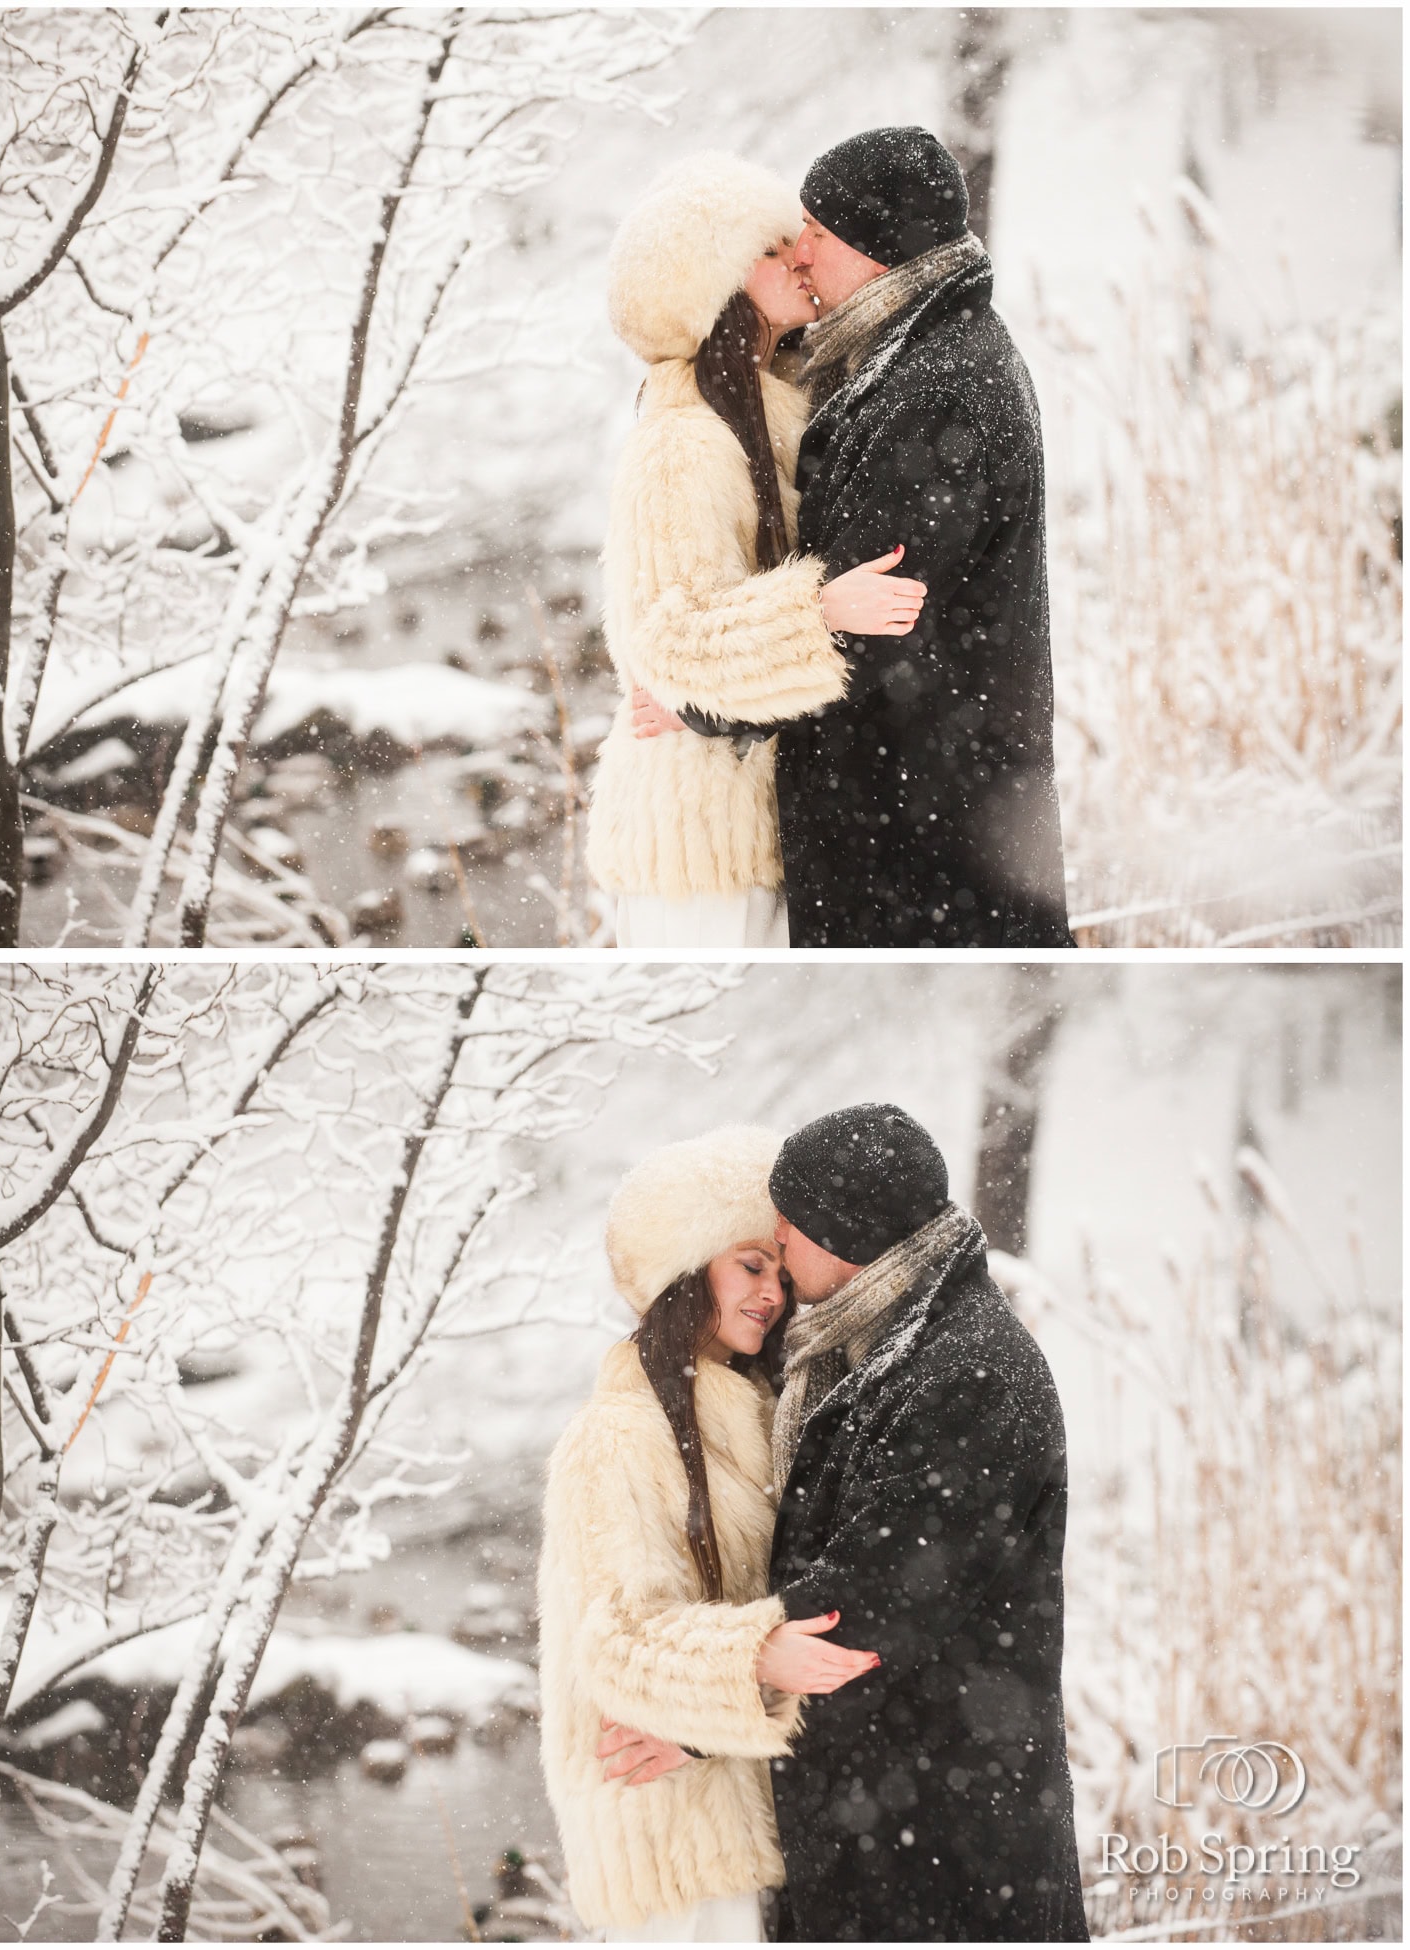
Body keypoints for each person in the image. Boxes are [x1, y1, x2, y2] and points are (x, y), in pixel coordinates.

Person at [638, 129, 1074, 948]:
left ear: (878, 251)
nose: (800, 254)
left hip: (923, 834)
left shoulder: (943, 392)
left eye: (819, 234)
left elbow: (870, 623)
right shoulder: (912, 352)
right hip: (925, 817)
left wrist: (701, 702)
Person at [538, 1126, 878, 1942]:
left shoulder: (748, 1415)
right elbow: (618, 1638)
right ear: (685, 1275)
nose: (772, 1293)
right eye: (748, 1266)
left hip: (742, 1808)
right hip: (671, 1842)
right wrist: (756, 1658)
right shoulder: (619, 1434)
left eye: (778, 1270)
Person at [764, 1102, 1089, 1940]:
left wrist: (696, 1704)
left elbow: (865, 1608)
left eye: (789, 1221)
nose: (776, 1242)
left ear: (845, 1232)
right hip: (889, 1826)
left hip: (946, 1851)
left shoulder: (972, 1374)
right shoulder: (867, 1345)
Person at [585, 153, 926, 950]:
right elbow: (668, 640)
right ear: (718, 287)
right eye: (771, 251)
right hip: (697, 845)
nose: (799, 258)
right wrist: (820, 610)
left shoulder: (773, 412)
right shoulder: (684, 440)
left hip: (749, 822)